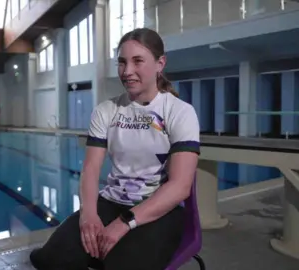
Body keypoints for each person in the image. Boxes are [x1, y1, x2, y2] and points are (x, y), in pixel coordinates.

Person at [29, 27, 200, 270]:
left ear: (160, 63)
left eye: (137, 61)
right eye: (122, 62)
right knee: (50, 260)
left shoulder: (180, 112)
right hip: (110, 202)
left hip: (158, 209)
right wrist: (89, 215)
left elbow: (180, 186)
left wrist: (124, 223)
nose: (127, 71)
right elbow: (90, 170)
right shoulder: (106, 110)